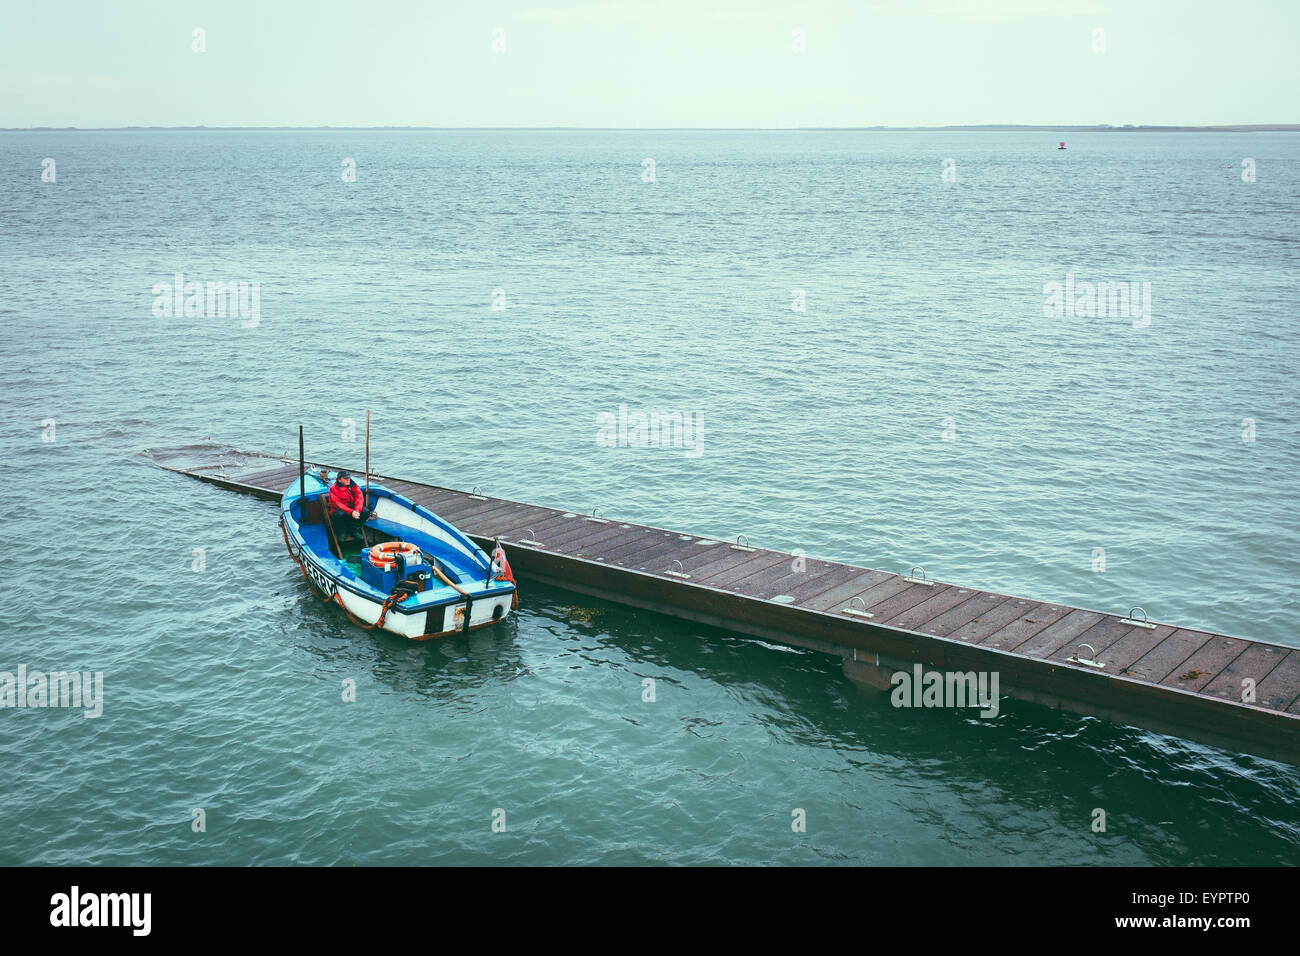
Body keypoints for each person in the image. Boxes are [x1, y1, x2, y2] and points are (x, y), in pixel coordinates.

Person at [327, 471, 372, 545]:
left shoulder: (354, 486)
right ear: (339, 480)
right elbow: (338, 504)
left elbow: (359, 498)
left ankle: (355, 529)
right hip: (340, 510)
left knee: (366, 511)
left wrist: (357, 510)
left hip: (353, 510)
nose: (348, 480)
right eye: (345, 478)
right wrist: (351, 512)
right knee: (339, 515)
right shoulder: (333, 489)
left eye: (348, 478)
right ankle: (342, 532)